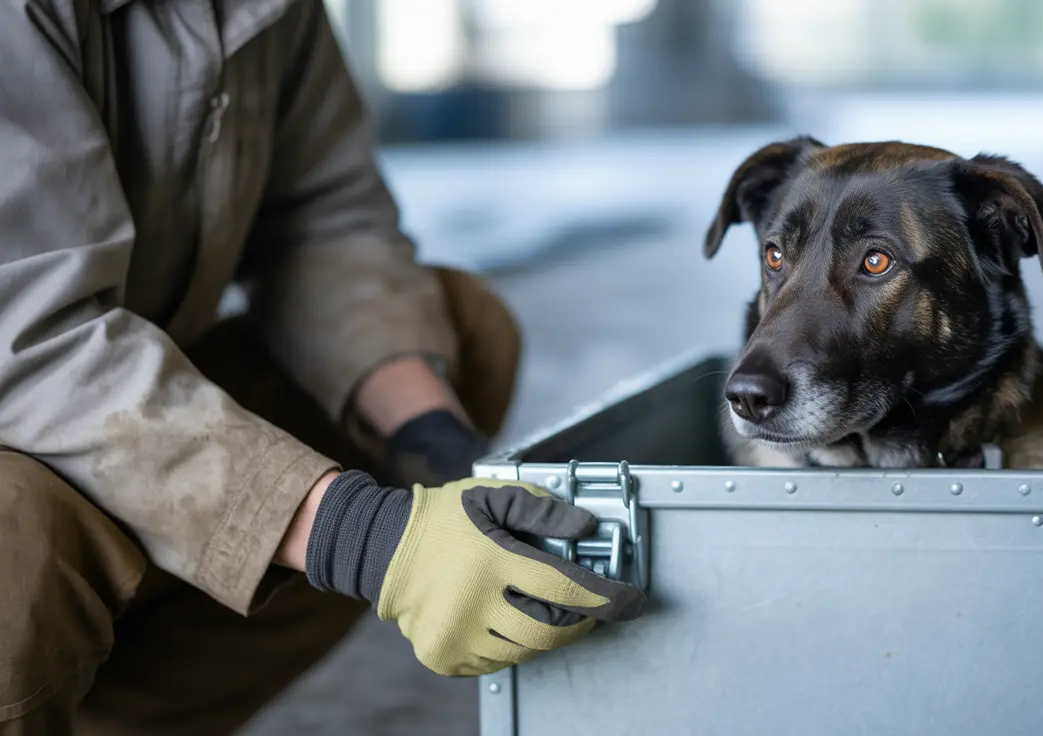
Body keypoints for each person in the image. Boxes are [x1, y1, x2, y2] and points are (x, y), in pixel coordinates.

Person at [0, 1, 647, 733]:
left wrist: (442, 454)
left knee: (461, 334)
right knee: (18, 527)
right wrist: (366, 536)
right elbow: (25, 333)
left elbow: (322, 223)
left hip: (97, 394)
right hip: (27, 390)